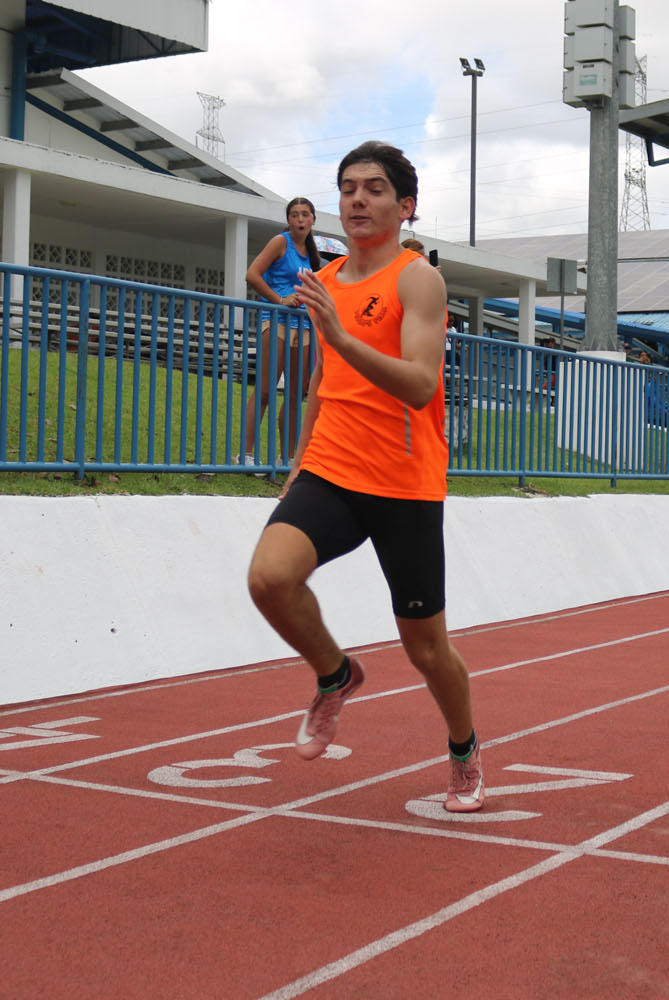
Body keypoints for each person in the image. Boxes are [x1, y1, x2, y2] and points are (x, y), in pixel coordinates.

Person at [245, 141, 484, 813]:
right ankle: (336, 674)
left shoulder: (417, 280)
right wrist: (297, 466)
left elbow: (417, 385)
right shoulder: (328, 278)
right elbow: (325, 379)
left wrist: (346, 339)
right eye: (347, 187)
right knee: (269, 578)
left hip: (404, 482)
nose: (356, 199)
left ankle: (463, 748)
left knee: (427, 648)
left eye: (374, 188)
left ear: (404, 206)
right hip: (333, 466)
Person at [242, 197, 322, 466]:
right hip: (275, 321)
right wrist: (280, 300)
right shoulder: (280, 242)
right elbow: (252, 274)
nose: (300, 219)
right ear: (288, 219)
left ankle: (286, 458)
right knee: (264, 390)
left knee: (295, 395)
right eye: (294, 215)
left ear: (313, 219)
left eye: (305, 215)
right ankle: (246, 455)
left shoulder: (312, 254)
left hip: (304, 326)